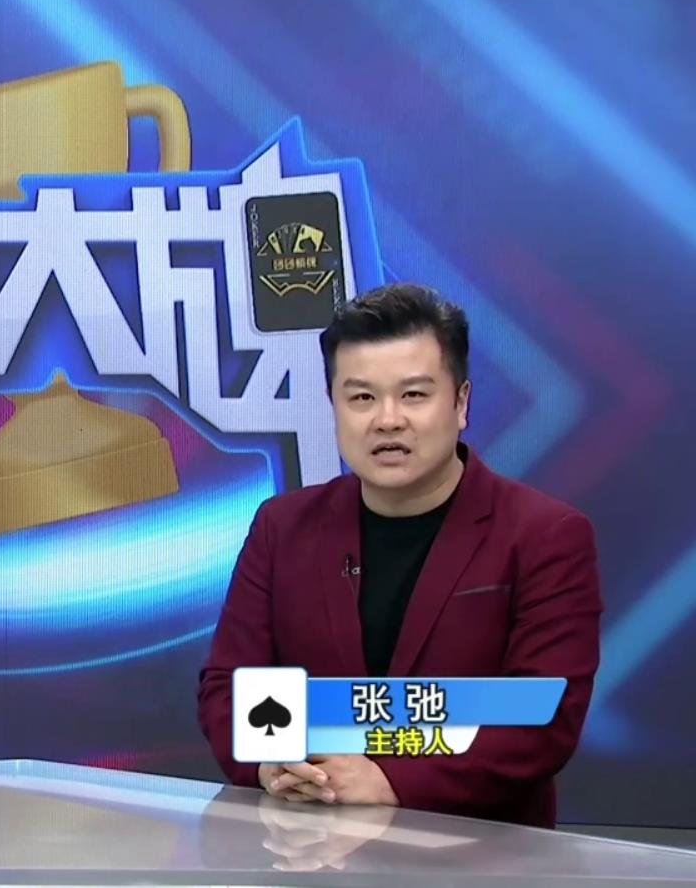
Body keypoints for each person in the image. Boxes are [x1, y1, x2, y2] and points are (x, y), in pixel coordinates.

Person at [197, 284, 602, 827]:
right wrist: (270, 764)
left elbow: (544, 716)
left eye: (413, 395)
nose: (387, 420)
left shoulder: (545, 535)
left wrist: (389, 781)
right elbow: (229, 687)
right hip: (308, 847)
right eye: (362, 398)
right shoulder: (282, 527)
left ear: (461, 403)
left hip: (482, 853)